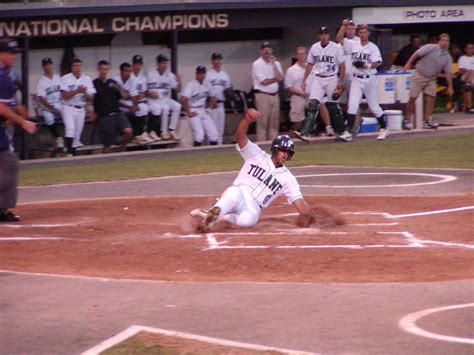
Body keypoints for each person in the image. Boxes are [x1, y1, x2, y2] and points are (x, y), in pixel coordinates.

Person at [190, 108, 314, 233]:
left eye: (288, 153)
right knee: (232, 195)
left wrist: (310, 216)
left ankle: (214, 216)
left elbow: (298, 201)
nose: (285, 155)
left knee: (248, 221)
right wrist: (246, 120)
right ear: (275, 149)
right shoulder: (256, 154)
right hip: (240, 191)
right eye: (283, 151)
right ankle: (209, 220)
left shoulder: (288, 178)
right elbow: (240, 137)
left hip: (253, 206)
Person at [0, 38, 37, 222]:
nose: (13, 57)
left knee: (8, 162)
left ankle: (2, 209)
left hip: (3, 126)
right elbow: (1, 108)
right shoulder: (2, 75)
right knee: (9, 163)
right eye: (9, 53)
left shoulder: (8, 75)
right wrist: (22, 121)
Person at [337, 24, 388, 142]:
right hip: (356, 78)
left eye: (365, 32)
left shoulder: (373, 47)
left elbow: (377, 62)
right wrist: (343, 26)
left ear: (368, 33)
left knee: (373, 105)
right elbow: (339, 38)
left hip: (369, 78)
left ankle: (384, 128)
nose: (363, 34)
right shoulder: (353, 44)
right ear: (358, 33)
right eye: (361, 32)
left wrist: (366, 65)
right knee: (352, 106)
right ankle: (348, 131)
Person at [299, 27, 345, 140]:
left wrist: (340, 81)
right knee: (313, 104)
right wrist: (304, 79)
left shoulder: (336, 47)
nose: (324, 36)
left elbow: (342, 65)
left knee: (333, 106)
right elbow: (310, 64)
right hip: (318, 78)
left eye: (325, 34)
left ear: (328, 35)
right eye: (321, 34)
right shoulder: (314, 47)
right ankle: (305, 133)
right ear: (318, 35)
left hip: (331, 78)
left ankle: (343, 131)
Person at [403, 33, 453, 129]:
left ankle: (427, 121)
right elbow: (416, 54)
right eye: (443, 40)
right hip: (420, 74)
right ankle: (406, 119)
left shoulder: (447, 56)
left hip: (432, 78)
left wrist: (450, 86)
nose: (445, 43)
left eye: (447, 41)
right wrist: (408, 64)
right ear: (439, 41)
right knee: (413, 97)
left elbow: (448, 73)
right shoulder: (431, 47)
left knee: (431, 98)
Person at [92, 61, 132, 154]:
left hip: (117, 113)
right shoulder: (94, 83)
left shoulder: (112, 82)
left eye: (106, 69)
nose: (104, 71)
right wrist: (93, 112)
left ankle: (121, 148)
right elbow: (91, 99)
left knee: (128, 131)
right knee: (107, 145)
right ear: (99, 69)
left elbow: (124, 97)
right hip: (105, 115)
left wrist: (118, 89)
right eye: (102, 69)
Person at [60, 57, 96, 156]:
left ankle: (72, 156)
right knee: (70, 129)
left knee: (77, 136)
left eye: (79, 65)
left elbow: (91, 97)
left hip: (81, 108)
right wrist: (77, 91)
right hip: (68, 107)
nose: (78, 68)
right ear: (71, 67)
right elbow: (64, 96)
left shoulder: (86, 79)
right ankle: (69, 154)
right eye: (75, 65)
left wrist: (84, 92)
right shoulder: (65, 78)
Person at [251, 42, 284, 141]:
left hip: (275, 96)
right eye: (264, 49)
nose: (267, 51)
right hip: (263, 95)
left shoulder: (276, 63)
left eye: (268, 49)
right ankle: (262, 145)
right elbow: (263, 82)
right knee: (262, 123)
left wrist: (274, 64)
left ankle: (273, 145)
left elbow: (281, 77)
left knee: (274, 123)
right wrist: (275, 79)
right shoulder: (257, 64)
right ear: (261, 51)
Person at [335, 19, 362, 135]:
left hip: (355, 77)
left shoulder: (358, 42)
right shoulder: (341, 43)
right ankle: (354, 121)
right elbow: (338, 39)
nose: (350, 31)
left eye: (352, 29)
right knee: (342, 104)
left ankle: (354, 127)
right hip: (343, 77)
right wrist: (343, 25)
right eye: (348, 29)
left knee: (354, 103)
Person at [146, 54, 181, 141]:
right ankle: (163, 132)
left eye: (166, 63)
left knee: (177, 106)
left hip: (164, 99)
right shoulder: (151, 75)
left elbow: (177, 89)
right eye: (163, 63)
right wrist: (150, 94)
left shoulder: (170, 75)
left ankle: (172, 130)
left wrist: (179, 80)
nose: (165, 65)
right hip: (153, 100)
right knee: (165, 108)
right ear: (158, 64)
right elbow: (145, 91)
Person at [181, 66, 219, 146]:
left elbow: (213, 96)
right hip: (193, 110)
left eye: (203, 73)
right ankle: (196, 155)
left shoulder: (207, 83)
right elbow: (184, 99)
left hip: (203, 109)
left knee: (214, 135)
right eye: (200, 73)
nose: (202, 75)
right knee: (199, 135)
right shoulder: (191, 84)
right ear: (196, 74)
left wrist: (210, 108)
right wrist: (188, 112)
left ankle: (213, 156)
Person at [35, 57, 64, 149]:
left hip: (59, 103)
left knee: (69, 112)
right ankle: (58, 138)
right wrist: (52, 109)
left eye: (50, 64)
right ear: (43, 67)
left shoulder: (58, 78)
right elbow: (41, 98)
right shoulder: (41, 81)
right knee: (48, 117)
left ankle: (71, 138)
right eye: (46, 65)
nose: (48, 66)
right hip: (47, 105)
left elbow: (64, 92)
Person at [205, 52, 232, 144]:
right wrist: (210, 101)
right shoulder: (208, 75)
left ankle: (218, 147)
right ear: (212, 61)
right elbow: (205, 90)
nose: (218, 61)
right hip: (212, 105)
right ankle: (210, 147)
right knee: (212, 129)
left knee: (220, 129)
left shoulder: (225, 75)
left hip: (221, 104)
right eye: (216, 59)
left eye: (219, 59)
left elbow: (228, 89)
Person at [284, 46, 309, 133]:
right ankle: (297, 132)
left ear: (306, 55)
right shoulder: (291, 70)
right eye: (299, 54)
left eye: (303, 53)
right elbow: (288, 87)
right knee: (297, 115)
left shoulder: (311, 67)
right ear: (296, 56)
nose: (302, 56)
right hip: (298, 96)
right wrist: (301, 93)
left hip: (311, 95)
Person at [130, 55, 154, 144]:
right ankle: (137, 135)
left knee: (149, 107)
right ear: (133, 65)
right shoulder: (130, 76)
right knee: (142, 108)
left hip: (139, 101)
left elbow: (144, 91)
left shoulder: (142, 77)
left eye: (139, 64)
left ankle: (145, 133)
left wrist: (143, 96)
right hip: (129, 101)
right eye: (136, 64)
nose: (138, 66)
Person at [458, 43, 474, 114]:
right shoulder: (462, 58)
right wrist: (470, 71)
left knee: (471, 72)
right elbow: (461, 70)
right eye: (468, 48)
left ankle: (468, 107)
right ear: (465, 49)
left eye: (472, 48)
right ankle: (469, 107)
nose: (470, 50)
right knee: (470, 72)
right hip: (465, 76)